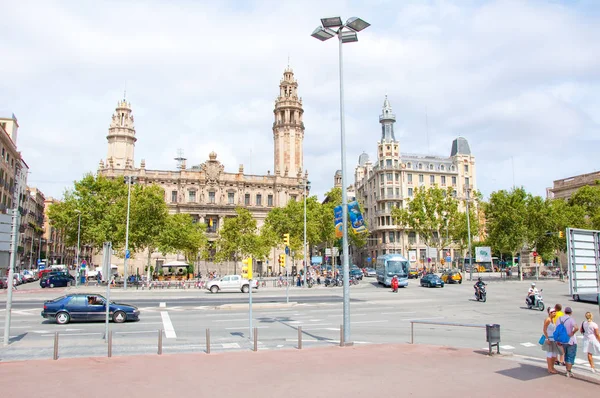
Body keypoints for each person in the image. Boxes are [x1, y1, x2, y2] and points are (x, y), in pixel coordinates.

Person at [558, 307, 579, 378]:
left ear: (564, 311)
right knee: (570, 355)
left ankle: (567, 370)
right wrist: (572, 333)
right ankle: (568, 371)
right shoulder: (571, 319)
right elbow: (576, 327)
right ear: (571, 312)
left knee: (565, 355)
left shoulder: (560, 319)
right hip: (570, 340)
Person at [542, 307, 560, 374]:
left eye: (555, 312)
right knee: (550, 354)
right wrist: (547, 339)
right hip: (549, 338)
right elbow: (544, 329)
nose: (555, 313)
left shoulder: (552, 320)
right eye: (554, 312)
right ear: (550, 313)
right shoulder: (548, 320)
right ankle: (550, 368)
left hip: (554, 339)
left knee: (554, 354)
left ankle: (552, 367)